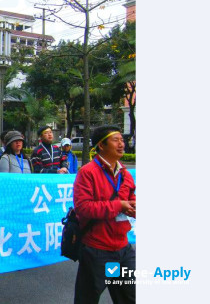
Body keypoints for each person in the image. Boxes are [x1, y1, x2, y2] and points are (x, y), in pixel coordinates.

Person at [73, 125, 136, 304]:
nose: (121, 144)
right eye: (116, 140)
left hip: (123, 249)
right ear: (101, 145)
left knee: (129, 297)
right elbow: (83, 208)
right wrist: (118, 205)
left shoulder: (125, 174)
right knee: (88, 299)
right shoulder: (87, 172)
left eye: (122, 140)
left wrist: (133, 206)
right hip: (96, 250)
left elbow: (130, 198)